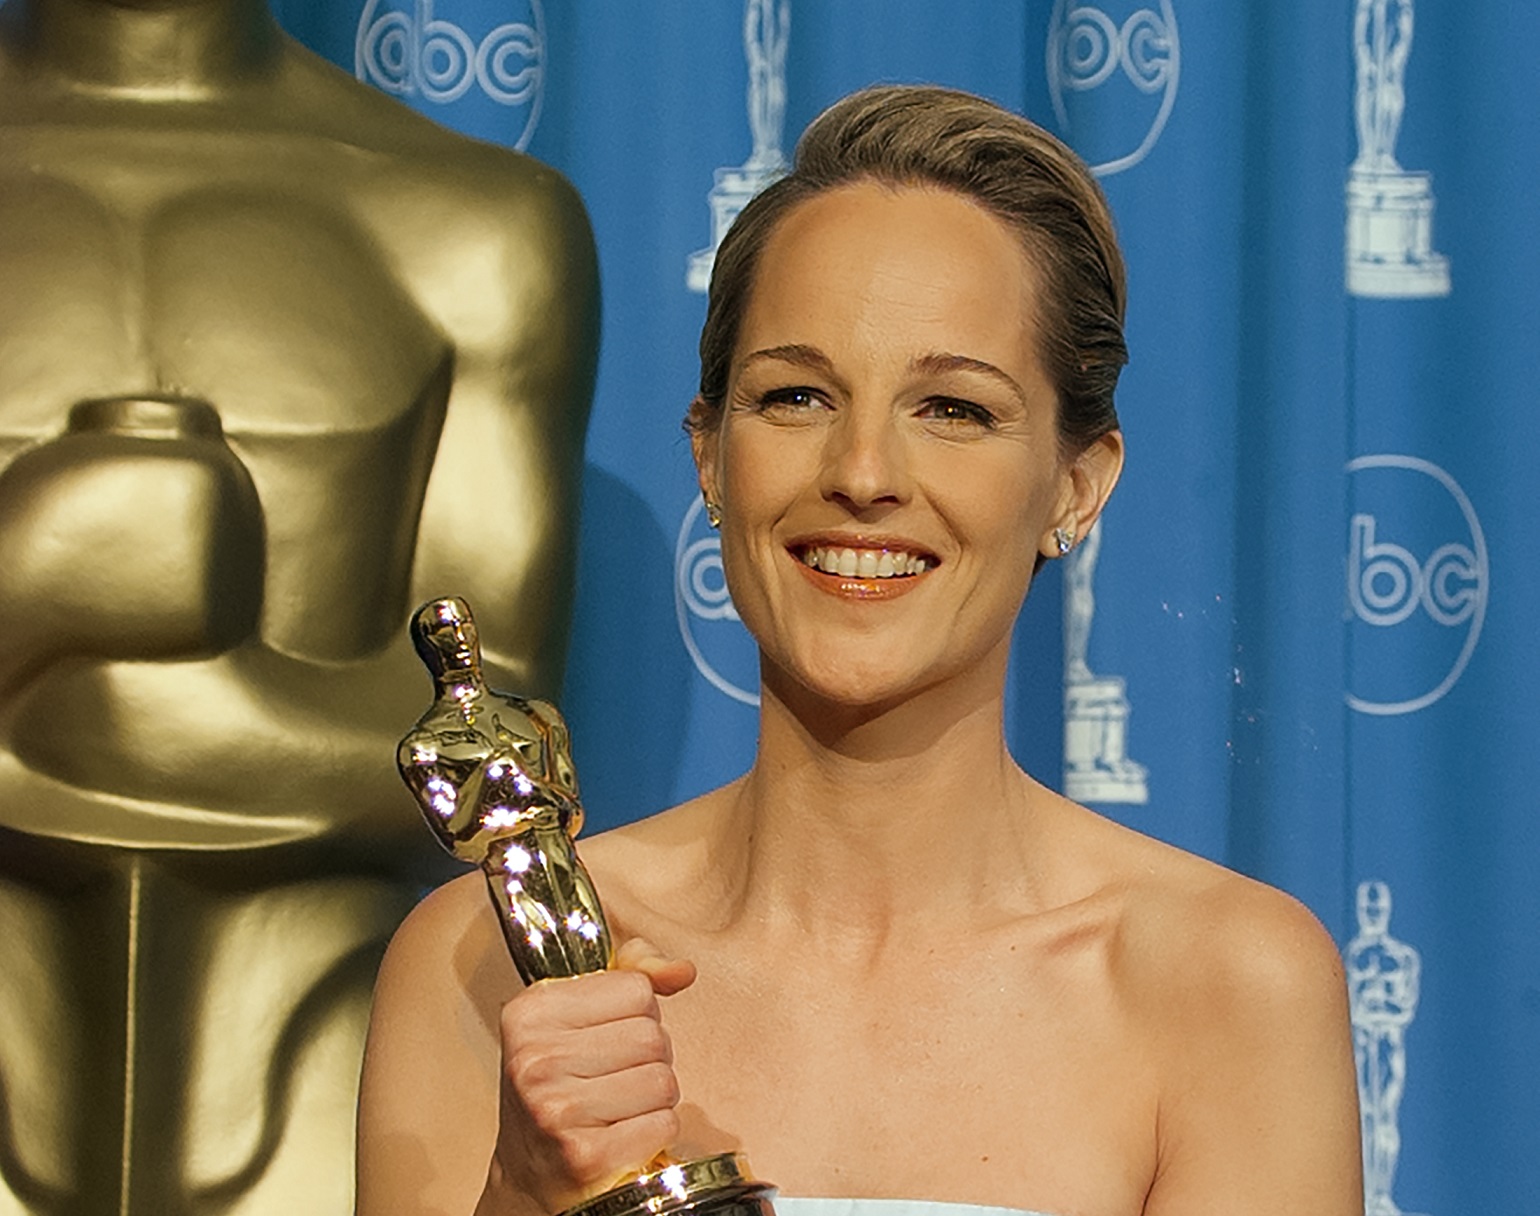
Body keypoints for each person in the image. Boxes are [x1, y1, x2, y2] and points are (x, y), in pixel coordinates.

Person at [357, 85, 1361, 1216]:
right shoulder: (485, 955)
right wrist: (522, 1191)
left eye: (955, 409)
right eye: (794, 396)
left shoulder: (1226, 986)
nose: (865, 471)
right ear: (709, 455)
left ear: (1075, 485)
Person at [0, 0, 596, 1210]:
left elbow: (493, 752)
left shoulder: (478, 226)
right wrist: (41, 566)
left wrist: (134, 708)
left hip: (332, 1074)